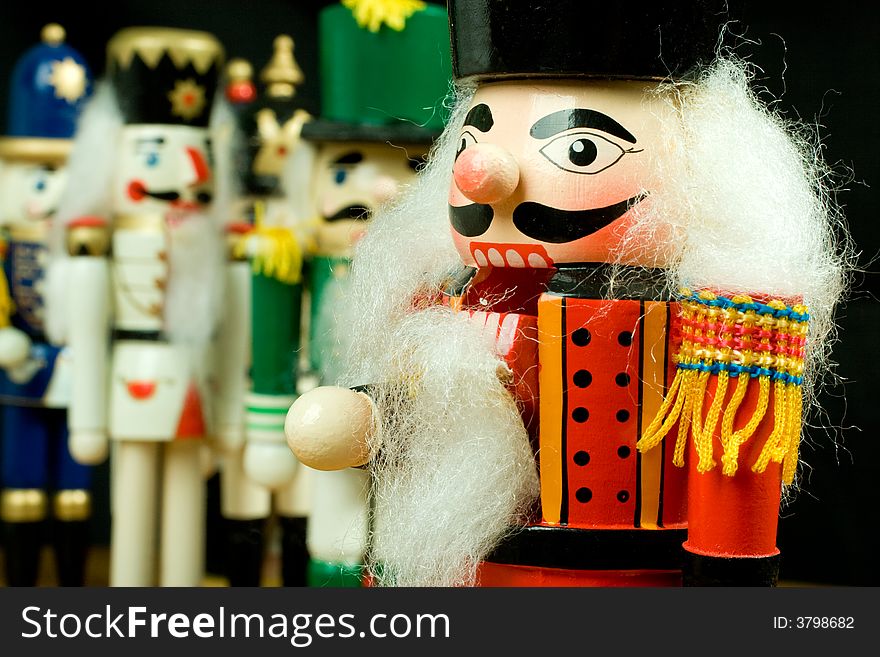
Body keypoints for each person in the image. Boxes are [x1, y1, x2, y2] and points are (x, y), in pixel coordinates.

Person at [286, 0, 852, 586]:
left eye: (579, 149)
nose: (485, 173)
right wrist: (373, 414)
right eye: (471, 141)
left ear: (705, 172)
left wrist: (727, 580)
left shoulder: (727, 327)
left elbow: (733, 471)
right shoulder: (444, 302)